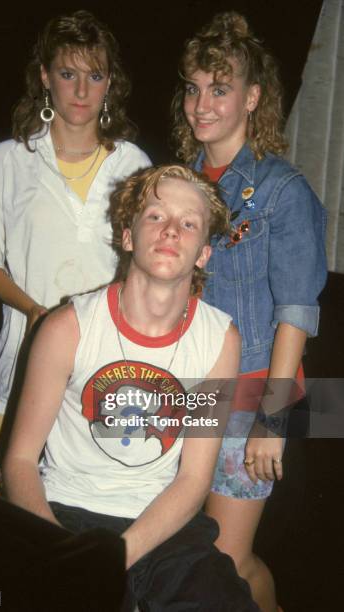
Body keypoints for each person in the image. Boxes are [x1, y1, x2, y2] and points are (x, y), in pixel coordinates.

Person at [2, 164, 258, 611]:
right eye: (156, 216)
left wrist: (116, 556)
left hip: (164, 522)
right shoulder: (68, 328)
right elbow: (21, 461)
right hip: (65, 513)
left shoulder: (219, 340)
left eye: (189, 223)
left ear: (202, 254)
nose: (172, 230)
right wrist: (62, 552)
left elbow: (195, 478)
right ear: (127, 236)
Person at [171, 12, 327, 612]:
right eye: (193, 87)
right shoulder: (183, 185)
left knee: (228, 559)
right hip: (192, 390)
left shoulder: (282, 189)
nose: (202, 103)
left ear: (252, 96)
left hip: (253, 396)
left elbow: (295, 312)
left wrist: (275, 420)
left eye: (220, 87)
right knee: (189, 552)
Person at [0, 10, 150, 475]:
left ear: (111, 83)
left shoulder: (134, 165)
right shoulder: (8, 161)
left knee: (93, 513)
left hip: (109, 363)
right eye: (68, 74)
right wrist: (33, 313)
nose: (81, 91)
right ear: (45, 77)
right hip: (25, 356)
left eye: (94, 75)